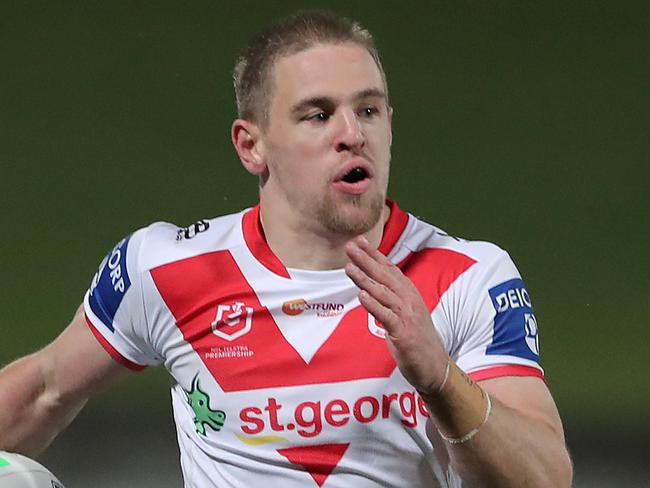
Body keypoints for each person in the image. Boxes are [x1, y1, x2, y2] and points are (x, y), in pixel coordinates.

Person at [0, 10, 572, 488]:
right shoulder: (167, 270)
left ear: (390, 126)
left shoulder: (467, 277)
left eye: (368, 110)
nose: (352, 132)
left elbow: (546, 479)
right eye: (318, 114)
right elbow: (44, 391)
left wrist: (442, 380)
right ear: (251, 146)